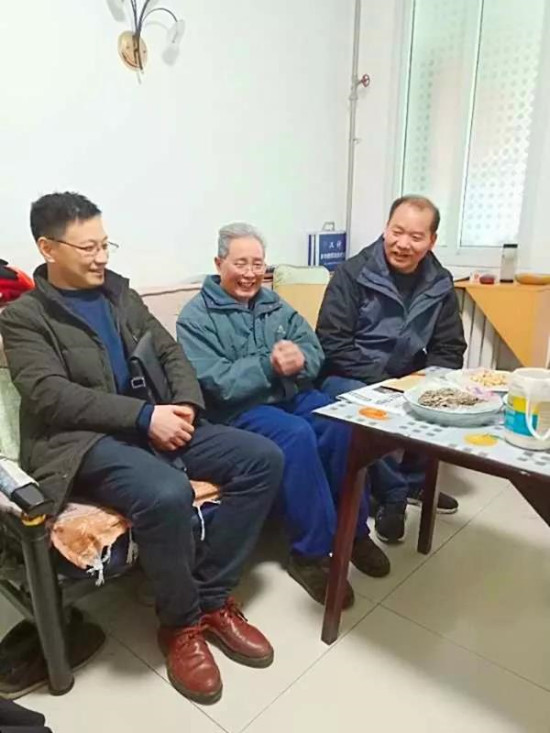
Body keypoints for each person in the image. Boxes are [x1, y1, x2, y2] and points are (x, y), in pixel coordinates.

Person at [0, 193, 285, 706]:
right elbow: (49, 394)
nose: (101, 257)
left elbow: (170, 351)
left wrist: (185, 405)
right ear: (48, 247)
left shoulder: (120, 295)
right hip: (81, 441)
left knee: (262, 459)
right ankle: (180, 625)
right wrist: (143, 417)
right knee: (166, 491)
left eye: (105, 244)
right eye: (88, 247)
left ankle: (211, 597)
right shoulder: (25, 316)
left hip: (152, 420)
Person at [176, 223, 390, 608]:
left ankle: (353, 532)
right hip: (239, 410)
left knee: (342, 423)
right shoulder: (195, 317)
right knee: (296, 435)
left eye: (258, 264)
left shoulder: (274, 303)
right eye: (240, 263)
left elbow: (314, 349)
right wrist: (269, 366)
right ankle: (309, 553)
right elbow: (216, 382)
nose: (250, 273)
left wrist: (301, 359)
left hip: (291, 395)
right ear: (219, 264)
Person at [317, 195, 467, 543]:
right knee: (372, 408)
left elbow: (449, 347)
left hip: (403, 372)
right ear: (385, 229)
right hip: (347, 374)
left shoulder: (440, 281)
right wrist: (387, 384)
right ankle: (394, 494)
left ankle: (416, 482)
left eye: (415, 237)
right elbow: (332, 343)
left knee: (438, 394)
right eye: (396, 232)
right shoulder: (353, 273)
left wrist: (431, 383)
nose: (402, 244)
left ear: (431, 241)